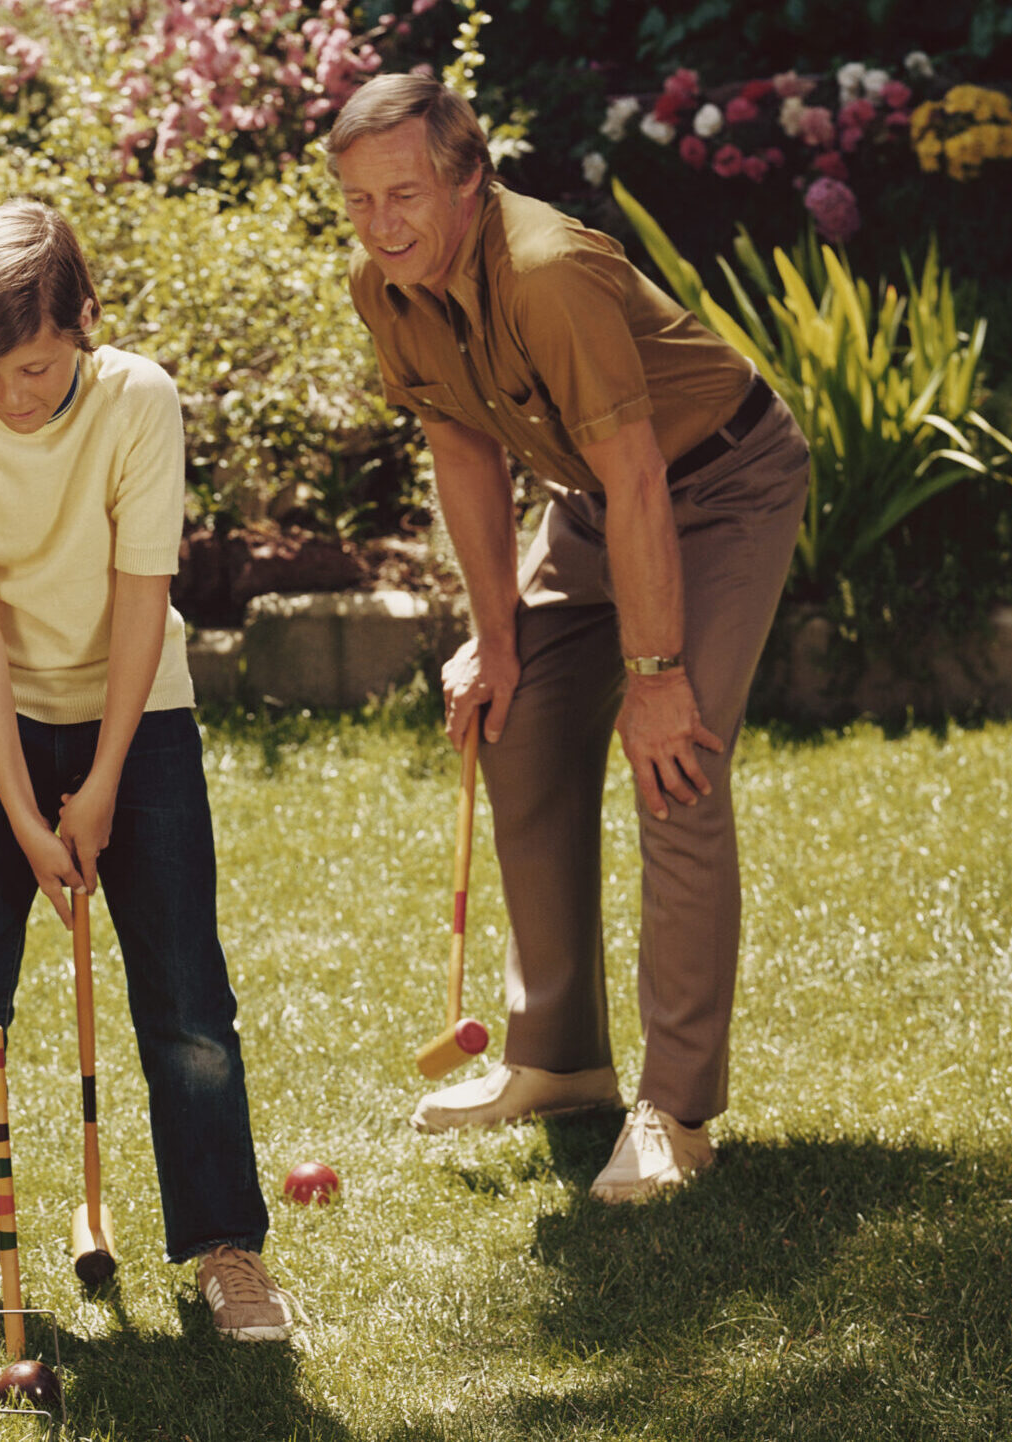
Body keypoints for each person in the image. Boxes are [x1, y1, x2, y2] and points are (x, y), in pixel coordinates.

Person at [329, 75, 809, 1200]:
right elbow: (462, 448)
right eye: (356, 199)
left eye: (403, 195)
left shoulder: (546, 271)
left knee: (672, 759)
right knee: (519, 713)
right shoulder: (384, 284)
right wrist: (494, 637)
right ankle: (560, 1058)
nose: (381, 223)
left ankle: (676, 1109)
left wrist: (653, 676)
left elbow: (644, 475)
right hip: (593, 503)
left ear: (468, 181)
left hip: (718, 486)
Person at [0, 200, 297, 1343]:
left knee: (189, 1005)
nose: (14, 394)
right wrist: (21, 811)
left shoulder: (135, 399)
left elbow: (141, 594)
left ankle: (226, 1250)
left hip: (137, 719)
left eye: (38, 365)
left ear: (85, 320)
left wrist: (98, 787)